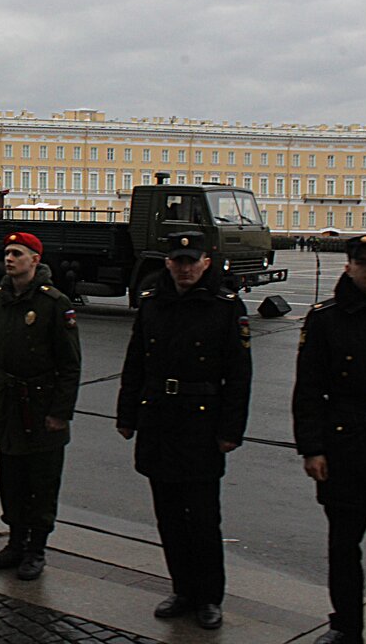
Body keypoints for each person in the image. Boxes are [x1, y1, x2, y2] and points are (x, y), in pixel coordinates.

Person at [115, 231, 251, 631]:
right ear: (168, 263)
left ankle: (209, 596)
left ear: (206, 262)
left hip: (201, 422)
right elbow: (136, 360)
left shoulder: (225, 307)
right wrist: (127, 416)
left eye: (192, 261)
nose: (185, 268)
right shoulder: (152, 303)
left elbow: (239, 376)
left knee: (204, 517)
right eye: (178, 260)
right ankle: (182, 588)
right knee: (169, 515)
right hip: (159, 417)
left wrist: (231, 430)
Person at [293, 233, 366, 644]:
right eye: (363, 262)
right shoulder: (326, 318)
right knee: (344, 547)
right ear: (349, 267)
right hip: (345, 449)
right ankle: (345, 626)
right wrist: (312, 448)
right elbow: (308, 389)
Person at [0, 232, 81, 580]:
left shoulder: (54, 303)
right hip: (8, 403)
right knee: (11, 478)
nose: (9, 259)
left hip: (41, 406)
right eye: (6, 253)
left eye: (17, 254)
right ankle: (14, 543)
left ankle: (36, 549)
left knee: (41, 480)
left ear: (35, 260)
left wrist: (60, 412)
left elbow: (70, 365)